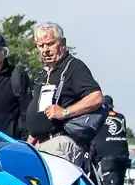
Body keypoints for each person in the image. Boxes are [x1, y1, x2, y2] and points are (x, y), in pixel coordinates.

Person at [29, 22, 103, 162]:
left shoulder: (74, 67)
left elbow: (96, 97)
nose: (45, 50)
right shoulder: (43, 73)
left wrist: (64, 112)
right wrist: (28, 146)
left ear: (62, 43)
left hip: (61, 143)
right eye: (41, 45)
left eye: (50, 44)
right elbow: (39, 116)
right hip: (40, 145)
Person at [93, 96, 131, 185]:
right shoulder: (121, 117)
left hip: (107, 157)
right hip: (122, 155)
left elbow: (95, 137)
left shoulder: (99, 117)